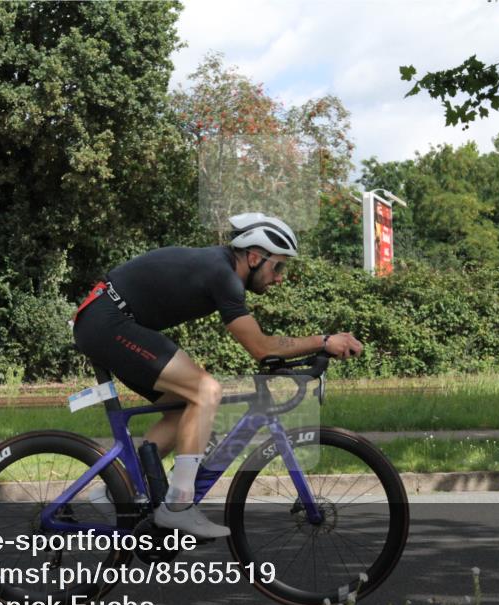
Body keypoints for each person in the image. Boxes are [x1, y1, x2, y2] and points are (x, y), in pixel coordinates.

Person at [72, 212, 363, 538]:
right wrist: (324, 341)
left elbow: (260, 344)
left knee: (184, 406)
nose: (280, 277)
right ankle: (179, 505)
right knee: (206, 391)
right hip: (108, 322)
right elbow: (260, 346)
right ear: (254, 257)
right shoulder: (221, 274)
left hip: (108, 320)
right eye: (277, 266)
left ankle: (119, 489)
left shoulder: (219, 268)